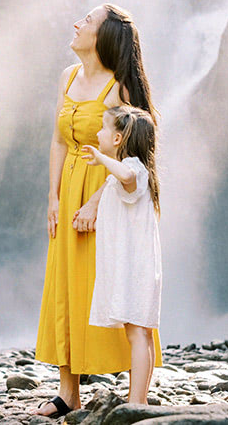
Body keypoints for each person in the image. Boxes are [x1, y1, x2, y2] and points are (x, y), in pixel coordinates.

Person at [34, 4, 162, 418]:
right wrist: (53, 196)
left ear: (104, 36)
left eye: (86, 20)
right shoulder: (67, 77)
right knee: (65, 281)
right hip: (69, 185)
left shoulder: (120, 88)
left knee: (109, 277)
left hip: (105, 193)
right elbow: (58, 140)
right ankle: (67, 392)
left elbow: (135, 155)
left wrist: (94, 202)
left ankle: (134, 395)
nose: (76, 23)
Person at [81, 105, 162, 405]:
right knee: (141, 333)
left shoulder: (135, 170)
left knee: (138, 334)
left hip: (136, 269)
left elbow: (127, 175)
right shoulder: (133, 172)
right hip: (135, 267)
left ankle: (137, 402)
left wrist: (101, 159)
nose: (98, 133)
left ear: (117, 139)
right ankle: (138, 399)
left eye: (103, 128)